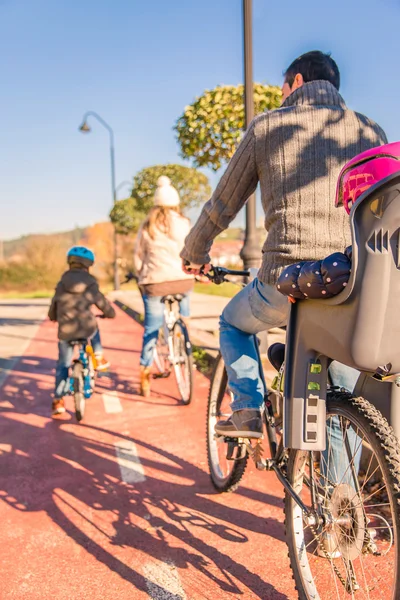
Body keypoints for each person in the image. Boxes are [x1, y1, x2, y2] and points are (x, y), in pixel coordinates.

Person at [181, 50, 388, 438]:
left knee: (231, 323)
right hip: (352, 282)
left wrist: (193, 254)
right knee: (336, 396)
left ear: (297, 82)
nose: (279, 94)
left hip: (287, 280)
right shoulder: (370, 131)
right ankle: (339, 497)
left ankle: (246, 411)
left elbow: (222, 205)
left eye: (282, 86)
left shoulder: (268, 127)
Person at [134, 176, 194, 397]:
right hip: (182, 280)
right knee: (185, 314)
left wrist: (141, 275)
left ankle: (144, 373)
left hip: (155, 283)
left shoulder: (147, 226)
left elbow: (138, 257)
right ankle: (186, 344)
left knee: (151, 328)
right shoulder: (184, 222)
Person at [48, 246, 116, 416]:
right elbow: (101, 302)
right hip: (86, 328)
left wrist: (53, 317)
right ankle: (98, 355)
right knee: (94, 327)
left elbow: (54, 305)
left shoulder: (62, 282)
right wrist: (109, 313)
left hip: (66, 330)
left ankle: (58, 400)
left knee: (63, 364)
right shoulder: (90, 282)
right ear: (88, 264)